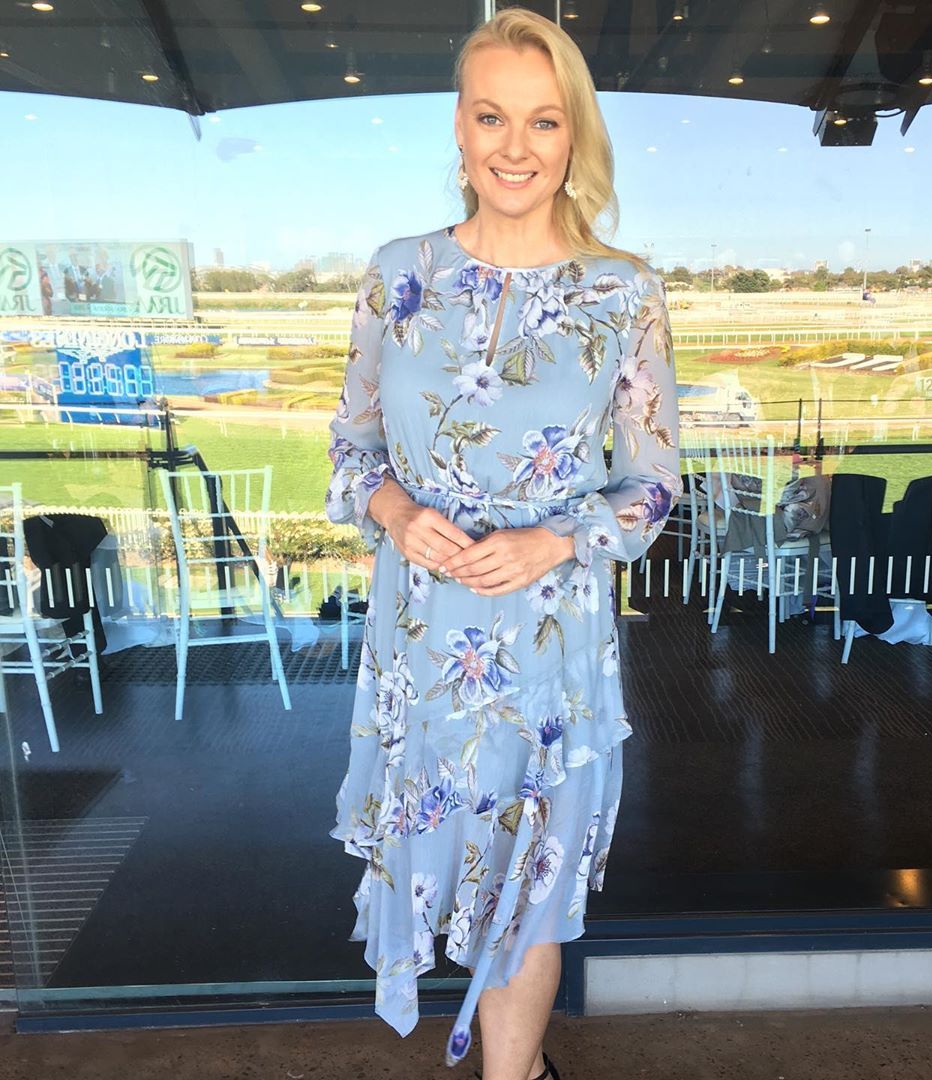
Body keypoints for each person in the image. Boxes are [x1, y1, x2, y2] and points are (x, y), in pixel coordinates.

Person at [325, 8, 681, 1078]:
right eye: (492, 117)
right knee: (444, 861)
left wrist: (555, 541)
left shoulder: (625, 292)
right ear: (460, 126)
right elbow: (351, 450)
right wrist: (396, 513)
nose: (516, 147)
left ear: (574, 136)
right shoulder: (397, 274)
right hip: (422, 640)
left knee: (531, 884)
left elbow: (656, 484)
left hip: (547, 640)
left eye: (543, 121)